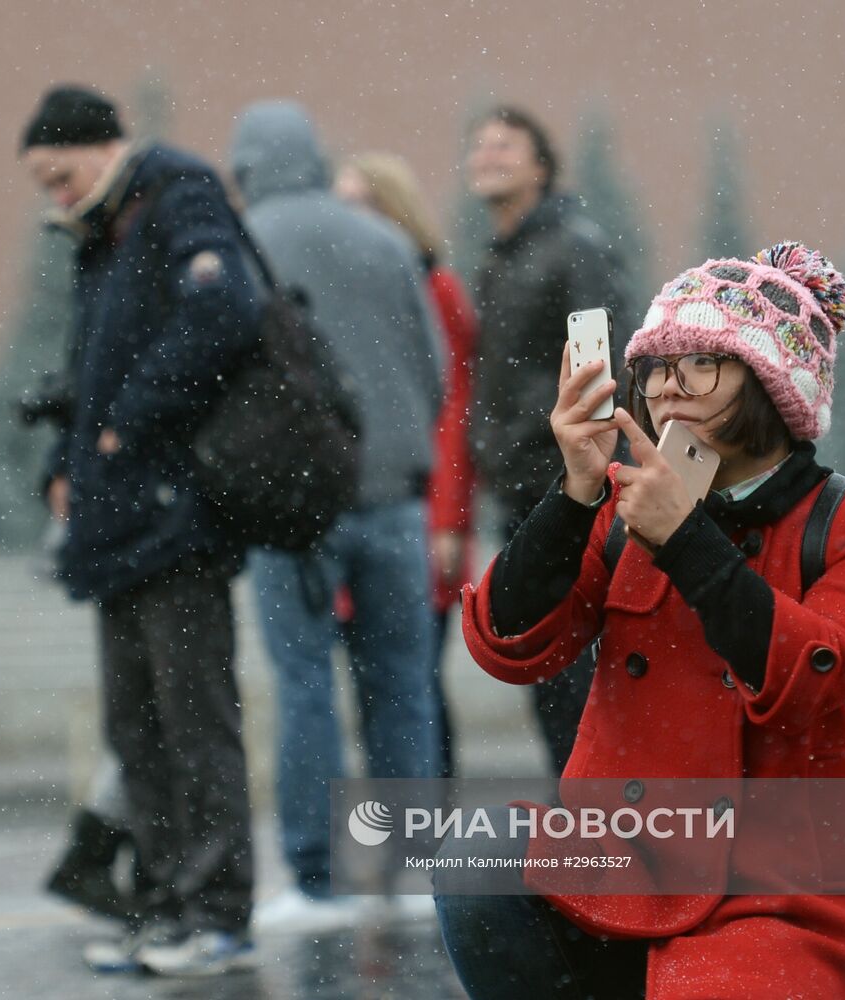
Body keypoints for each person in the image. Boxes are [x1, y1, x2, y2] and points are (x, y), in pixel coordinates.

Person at [441, 242, 845, 997]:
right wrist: (573, 494)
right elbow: (510, 644)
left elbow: (814, 680)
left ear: (769, 380)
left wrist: (685, 539)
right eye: (657, 365)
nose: (668, 385)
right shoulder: (624, 507)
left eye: (701, 362)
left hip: (795, 885)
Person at [19, 85, 258, 976]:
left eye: (60, 171)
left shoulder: (178, 194)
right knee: (138, 730)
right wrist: (64, 464)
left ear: (104, 145)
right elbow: (89, 363)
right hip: (115, 522)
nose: (52, 192)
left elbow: (223, 311)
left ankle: (220, 914)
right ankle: (162, 908)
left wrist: (129, 424)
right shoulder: (99, 234)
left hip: (175, 517)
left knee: (195, 724)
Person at [228, 101, 445, 923]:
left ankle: (317, 878)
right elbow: (432, 367)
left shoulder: (243, 247)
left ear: (248, 164)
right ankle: (413, 867)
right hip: (393, 499)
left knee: (304, 685)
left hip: (293, 507)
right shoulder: (384, 240)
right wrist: (395, 448)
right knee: (401, 686)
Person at [464, 105, 630, 774]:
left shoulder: (573, 245)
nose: (487, 155)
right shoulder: (500, 258)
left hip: (563, 484)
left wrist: (576, 467)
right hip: (517, 484)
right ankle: (576, 808)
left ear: (540, 165)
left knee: (572, 665)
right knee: (539, 658)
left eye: (505, 145)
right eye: (479, 144)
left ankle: (597, 818)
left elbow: (595, 360)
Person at [335, 152, 479, 779]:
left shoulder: (432, 287)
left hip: (416, 518)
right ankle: (397, 846)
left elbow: (453, 410)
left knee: (412, 688)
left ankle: (426, 844)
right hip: (357, 513)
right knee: (375, 691)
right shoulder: (340, 293)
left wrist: (447, 521)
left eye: (360, 205)